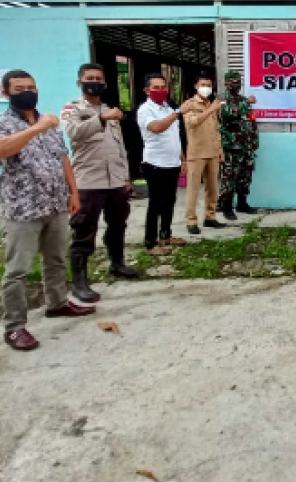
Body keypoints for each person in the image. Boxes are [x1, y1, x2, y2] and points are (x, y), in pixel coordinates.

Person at [0, 70, 94, 352]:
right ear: (7, 93)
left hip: (55, 203)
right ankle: (15, 327)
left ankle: (57, 303)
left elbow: (62, 157)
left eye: (31, 87)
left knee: (56, 258)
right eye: (20, 88)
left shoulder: (50, 122)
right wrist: (36, 128)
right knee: (18, 270)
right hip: (22, 208)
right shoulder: (0, 123)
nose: (28, 91)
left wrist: (74, 191)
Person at [61, 64, 140, 304]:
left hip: (114, 180)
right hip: (88, 180)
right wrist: (100, 118)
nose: (94, 82)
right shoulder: (72, 109)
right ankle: (79, 282)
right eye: (89, 78)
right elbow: (74, 133)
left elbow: (119, 148)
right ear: (80, 83)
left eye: (98, 78)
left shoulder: (109, 109)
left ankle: (117, 264)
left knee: (117, 225)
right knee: (84, 230)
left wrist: (126, 177)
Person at [137, 73, 187, 255]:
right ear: (147, 90)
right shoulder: (145, 110)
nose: (160, 91)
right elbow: (157, 128)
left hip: (172, 163)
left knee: (169, 202)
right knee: (155, 204)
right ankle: (151, 242)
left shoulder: (167, 108)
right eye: (155, 88)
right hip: (155, 164)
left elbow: (175, 137)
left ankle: (165, 235)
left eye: (163, 87)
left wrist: (183, 159)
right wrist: (177, 113)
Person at [180, 73, 226, 235]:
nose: (206, 88)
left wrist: (220, 150)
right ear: (196, 86)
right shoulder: (189, 104)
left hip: (212, 152)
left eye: (209, 85)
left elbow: (216, 130)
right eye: (203, 85)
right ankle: (191, 220)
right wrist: (211, 109)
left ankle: (210, 217)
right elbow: (192, 122)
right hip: (197, 152)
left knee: (212, 188)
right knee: (193, 189)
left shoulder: (211, 104)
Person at [217, 70, 260, 221]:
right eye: (234, 82)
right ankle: (226, 206)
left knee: (245, 175)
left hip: (246, 145)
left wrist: (254, 140)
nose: (237, 85)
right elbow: (228, 114)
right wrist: (246, 103)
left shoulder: (242, 99)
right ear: (227, 83)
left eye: (239, 82)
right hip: (231, 146)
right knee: (229, 177)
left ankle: (242, 203)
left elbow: (251, 120)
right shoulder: (221, 99)